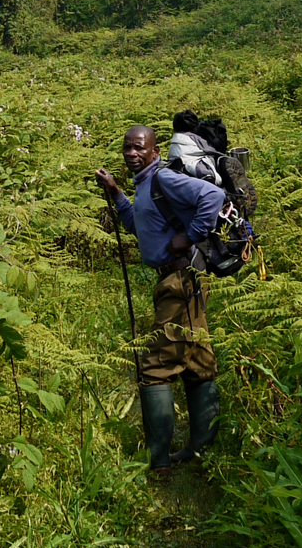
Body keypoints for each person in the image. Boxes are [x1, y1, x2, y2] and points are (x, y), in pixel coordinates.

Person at [95, 124, 223, 469]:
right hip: (182, 280)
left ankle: (158, 460)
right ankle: (201, 449)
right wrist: (117, 193)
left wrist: (190, 236)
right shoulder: (146, 184)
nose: (132, 154)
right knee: (198, 361)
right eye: (127, 148)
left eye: (139, 148)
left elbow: (214, 198)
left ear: (154, 152)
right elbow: (143, 227)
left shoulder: (165, 179)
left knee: (155, 367)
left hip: (178, 281)